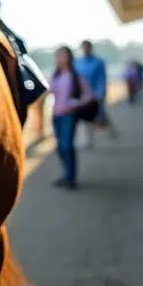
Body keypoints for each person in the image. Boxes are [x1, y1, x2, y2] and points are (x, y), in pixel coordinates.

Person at [50, 45, 97, 188]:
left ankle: (71, 178)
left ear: (70, 58)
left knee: (67, 145)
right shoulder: (55, 75)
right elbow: (51, 92)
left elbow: (90, 95)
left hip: (69, 115)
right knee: (60, 147)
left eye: (64, 56)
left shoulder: (76, 76)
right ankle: (65, 174)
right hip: (56, 114)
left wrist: (76, 103)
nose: (61, 59)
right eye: (59, 56)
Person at [74, 40, 114, 145]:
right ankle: (89, 139)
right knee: (86, 116)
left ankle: (110, 130)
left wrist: (101, 93)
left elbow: (102, 78)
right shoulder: (77, 62)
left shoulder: (98, 61)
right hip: (83, 94)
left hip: (96, 93)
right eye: (84, 47)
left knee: (100, 113)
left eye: (87, 47)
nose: (86, 49)